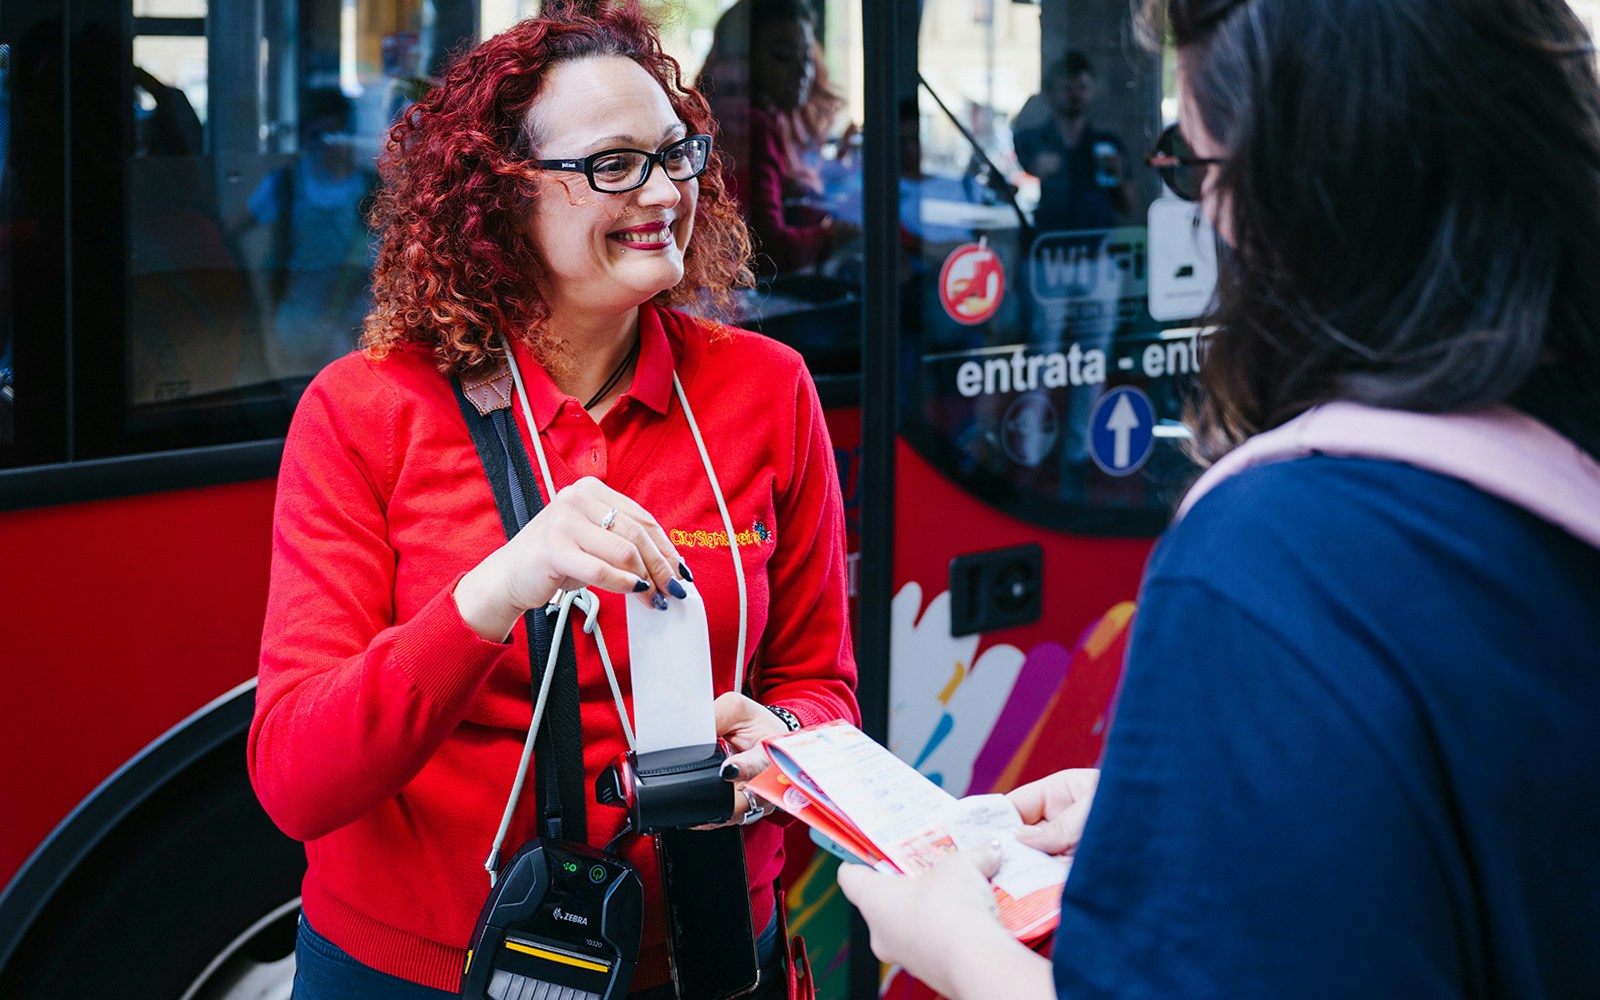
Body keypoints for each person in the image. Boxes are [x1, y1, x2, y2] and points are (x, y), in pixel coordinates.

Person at [838, 0, 1600, 996]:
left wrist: (954, 945)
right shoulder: (1544, 462)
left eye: (1197, 169)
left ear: (1297, 192)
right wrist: (1202, 800)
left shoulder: (1275, 560)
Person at [248, 3, 859, 997]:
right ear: (498, 196)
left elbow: (819, 679)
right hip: (423, 971)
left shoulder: (769, 389)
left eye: (677, 152)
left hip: (704, 955)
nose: (665, 190)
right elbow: (295, 777)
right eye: (612, 164)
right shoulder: (364, 410)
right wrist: (491, 594)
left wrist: (783, 747)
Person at [697, 0, 859, 277]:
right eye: (782, 56)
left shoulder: (774, 119)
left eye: (806, 57)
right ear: (744, 60)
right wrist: (832, 237)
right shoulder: (753, 124)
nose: (802, 73)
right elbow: (767, 247)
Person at [240, 87, 380, 378]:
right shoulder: (285, 183)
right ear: (305, 137)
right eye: (317, 136)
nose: (327, 146)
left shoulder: (370, 186)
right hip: (298, 317)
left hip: (356, 318)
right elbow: (236, 227)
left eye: (334, 135)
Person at [1011, 51, 1134, 233]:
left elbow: (1129, 208)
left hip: (1099, 248)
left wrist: (1119, 177)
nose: (1075, 95)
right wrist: (1034, 170)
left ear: (1092, 91)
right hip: (1048, 246)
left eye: (1082, 87)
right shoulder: (1034, 142)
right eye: (1067, 88)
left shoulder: (1107, 145)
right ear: (1049, 93)